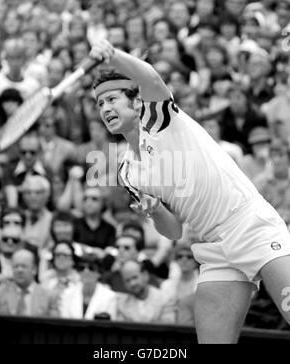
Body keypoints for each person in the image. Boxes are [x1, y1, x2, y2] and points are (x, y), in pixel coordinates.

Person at [89, 39, 290, 343]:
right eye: (100, 104)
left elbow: (152, 79)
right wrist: (155, 210)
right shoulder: (128, 171)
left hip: (250, 226)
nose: (105, 108)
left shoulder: (159, 121)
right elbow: (173, 231)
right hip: (214, 248)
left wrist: (114, 56)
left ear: (136, 101)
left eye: (112, 99)